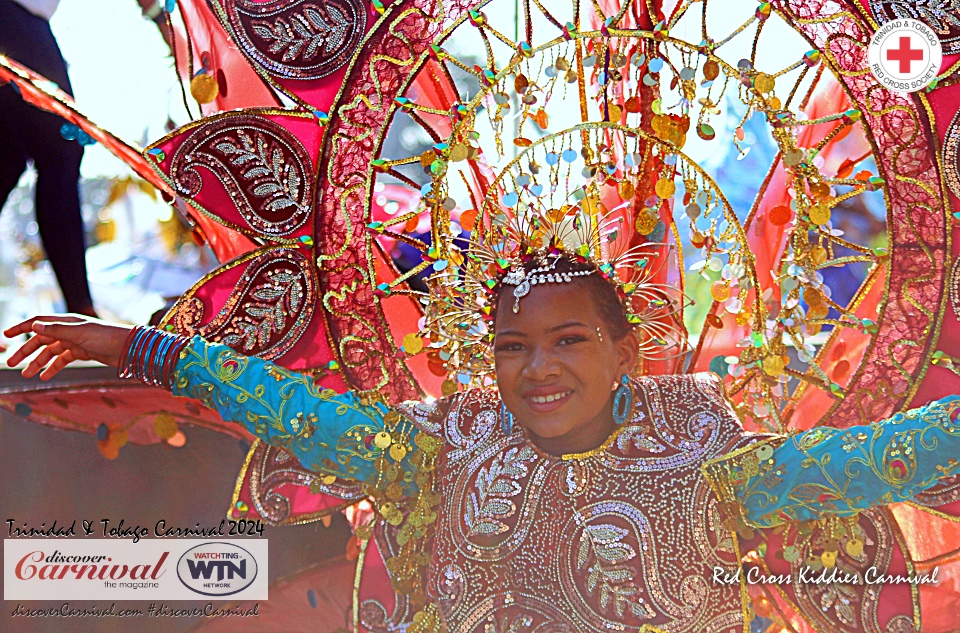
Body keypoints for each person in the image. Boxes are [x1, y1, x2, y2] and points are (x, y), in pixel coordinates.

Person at [5, 250, 959, 632]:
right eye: (513, 346)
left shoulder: (710, 464)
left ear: (626, 350)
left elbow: (880, 456)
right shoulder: (438, 451)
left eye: (569, 340)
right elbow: (293, 412)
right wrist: (143, 347)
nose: (538, 369)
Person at [0, 0, 97, 316]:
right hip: (14, 17)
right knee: (60, 153)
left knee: (7, 158)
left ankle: (80, 308)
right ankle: (80, 310)